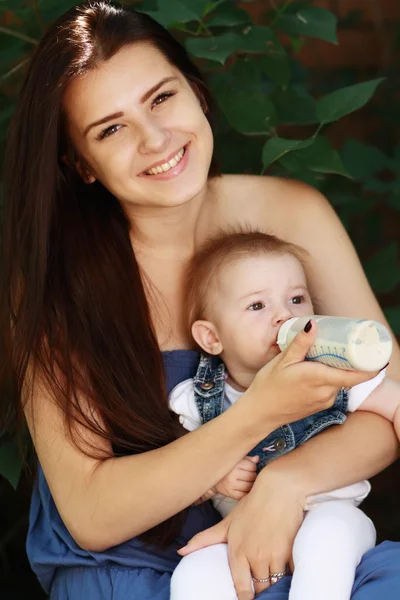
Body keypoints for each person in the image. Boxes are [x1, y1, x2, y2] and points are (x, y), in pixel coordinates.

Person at [0, 2, 399, 599]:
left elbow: (387, 407)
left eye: (162, 98)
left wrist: (283, 485)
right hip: (130, 564)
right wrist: (261, 410)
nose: (155, 138)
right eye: (111, 129)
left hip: (301, 539)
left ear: (198, 91)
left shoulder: (292, 214)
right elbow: (91, 513)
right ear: (79, 164)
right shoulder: (53, 277)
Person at [168, 230, 400, 600]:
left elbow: (395, 403)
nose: (284, 315)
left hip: (332, 514)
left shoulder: (331, 375)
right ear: (212, 338)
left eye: (296, 298)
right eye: (257, 306)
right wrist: (213, 479)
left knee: (325, 542)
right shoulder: (195, 397)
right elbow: (179, 473)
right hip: (242, 531)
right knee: (194, 574)